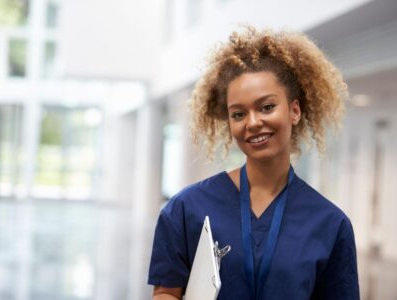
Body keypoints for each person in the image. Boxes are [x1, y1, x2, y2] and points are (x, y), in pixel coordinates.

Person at [148, 27, 360, 300]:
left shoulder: (330, 225)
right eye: (238, 114)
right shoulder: (186, 209)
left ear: (294, 110)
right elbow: (166, 292)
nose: (253, 122)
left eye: (266, 107)